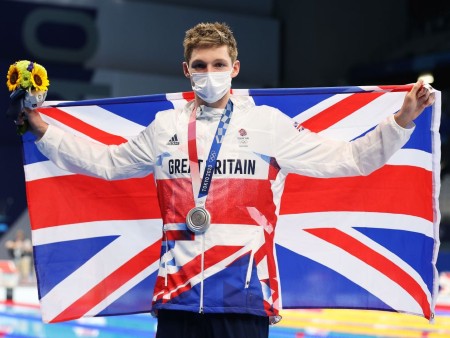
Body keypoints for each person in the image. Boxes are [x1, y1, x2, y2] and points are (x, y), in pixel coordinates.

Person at [20, 22, 434, 338]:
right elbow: (106, 162)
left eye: (218, 64)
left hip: (246, 302)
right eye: (200, 66)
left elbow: (348, 160)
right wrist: (42, 129)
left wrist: (400, 121)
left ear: (235, 68)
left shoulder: (267, 125)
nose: (209, 73)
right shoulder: (166, 127)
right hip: (177, 302)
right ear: (186, 70)